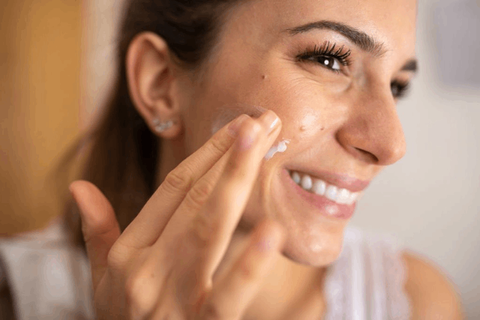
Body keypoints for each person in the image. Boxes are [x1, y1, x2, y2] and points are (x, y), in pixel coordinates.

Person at [0, 0, 465, 319]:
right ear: (161, 83)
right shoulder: (17, 299)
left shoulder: (413, 302)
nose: (390, 144)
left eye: (398, 86)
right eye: (328, 60)